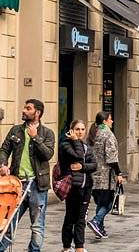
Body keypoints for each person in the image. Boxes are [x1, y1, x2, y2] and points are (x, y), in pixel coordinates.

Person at [0, 99, 55, 252]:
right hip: (16, 185)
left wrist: (35, 137)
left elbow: (48, 155)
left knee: (37, 225)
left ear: (38, 113)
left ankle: (34, 250)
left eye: (28, 108)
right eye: (24, 107)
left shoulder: (47, 133)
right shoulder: (15, 130)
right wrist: (3, 164)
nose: (24, 110)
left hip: (37, 185)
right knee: (8, 222)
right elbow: (4, 150)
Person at [59, 119, 97, 252]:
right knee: (70, 217)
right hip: (72, 186)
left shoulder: (87, 146)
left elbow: (94, 165)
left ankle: (79, 246)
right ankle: (66, 246)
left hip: (86, 187)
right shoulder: (65, 145)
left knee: (81, 218)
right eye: (77, 129)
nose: (80, 132)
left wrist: (82, 167)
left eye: (82, 129)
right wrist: (75, 141)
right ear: (71, 131)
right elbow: (78, 155)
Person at [87, 111, 125, 239]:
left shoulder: (93, 133)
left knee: (100, 202)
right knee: (108, 203)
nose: (112, 121)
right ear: (104, 121)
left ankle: (100, 229)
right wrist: (119, 173)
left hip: (93, 174)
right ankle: (96, 221)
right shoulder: (108, 134)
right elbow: (111, 158)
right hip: (105, 175)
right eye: (110, 119)